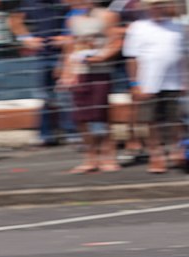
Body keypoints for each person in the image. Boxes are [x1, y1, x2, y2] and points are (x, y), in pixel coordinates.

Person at [123, 0, 188, 173]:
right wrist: (135, 83)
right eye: (154, 5)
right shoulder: (138, 27)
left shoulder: (177, 27)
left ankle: (174, 150)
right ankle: (156, 155)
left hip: (174, 82)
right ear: (148, 8)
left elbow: (183, 57)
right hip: (148, 82)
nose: (158, 8)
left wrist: (185, 80)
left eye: (161, 4)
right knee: (152, 121)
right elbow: (131, 58)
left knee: (174, 120)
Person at [58, 1, 122, 173]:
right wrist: (66, 73)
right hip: (80, 72)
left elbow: (116, 42)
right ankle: (90, 157)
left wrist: (101, 57)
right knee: (81, 118)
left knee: (101, 116)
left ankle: (108, 156)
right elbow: (70, 47)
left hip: (99, 72)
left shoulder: (107, 16)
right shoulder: (73, 19)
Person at [9, 0, 76, 146]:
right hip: (41, 56)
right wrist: (26, 39)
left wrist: (68, 37)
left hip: (63, 54)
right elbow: (14, 21)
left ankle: (72, 132)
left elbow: (77, 15)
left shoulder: (64, 2)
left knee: (65, 94)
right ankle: (46, 135)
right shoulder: (29, 3)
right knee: (45, 97)